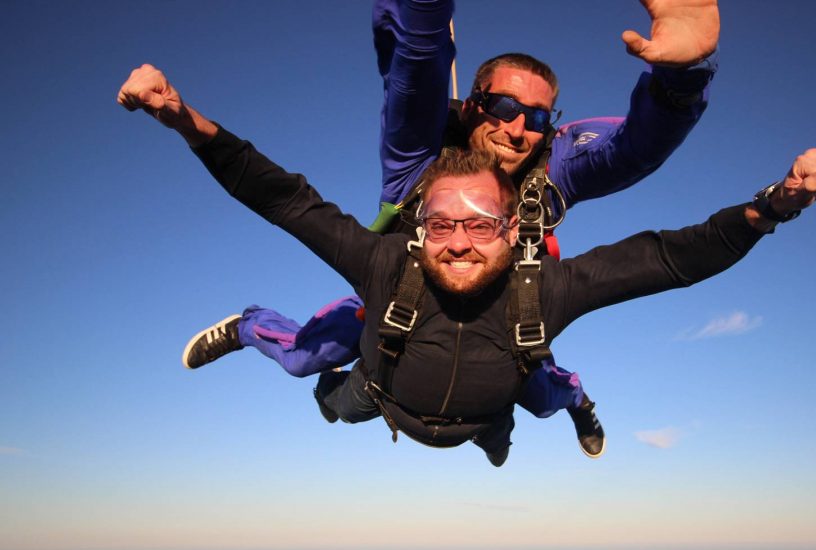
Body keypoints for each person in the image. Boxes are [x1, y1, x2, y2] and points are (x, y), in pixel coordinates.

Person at [117, 66, 816, 467]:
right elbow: (280, 197)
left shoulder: (545, 276)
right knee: (316, 374)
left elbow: (670, 257)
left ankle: (577, 402)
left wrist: (777, 201)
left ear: (514, 229)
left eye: (482, 224)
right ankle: (251, 329)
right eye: (442, 224)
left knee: (534, 402)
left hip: (490, 398)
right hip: (381, 385)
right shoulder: (384, 261)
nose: (462, 239)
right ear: (416, 226)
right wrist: (184, 119)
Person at [181, 0, 722, 460]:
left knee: (544, 395)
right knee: (306, 358)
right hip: (400, 305)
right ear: (472, 106)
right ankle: (249, 326)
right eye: (503, 107)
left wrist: (684, 74)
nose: (516, 129)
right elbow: (416, 63)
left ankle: (580, 405)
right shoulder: (417, 156)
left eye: (536, 118)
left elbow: (633, 149)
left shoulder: (552, 173)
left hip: (502, 320)